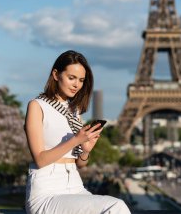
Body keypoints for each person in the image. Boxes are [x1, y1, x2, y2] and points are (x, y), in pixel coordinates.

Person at [24, 50, 131, 214]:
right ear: (56, 74)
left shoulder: (74, 112)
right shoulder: (37, 106)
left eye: (81, 80)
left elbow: (80, 164)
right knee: (116, 206)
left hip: (75, 186)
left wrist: (85, 151)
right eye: (71, 78)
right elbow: (40, 159)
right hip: (47, 193)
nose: (76, 85)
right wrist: (75, 140)